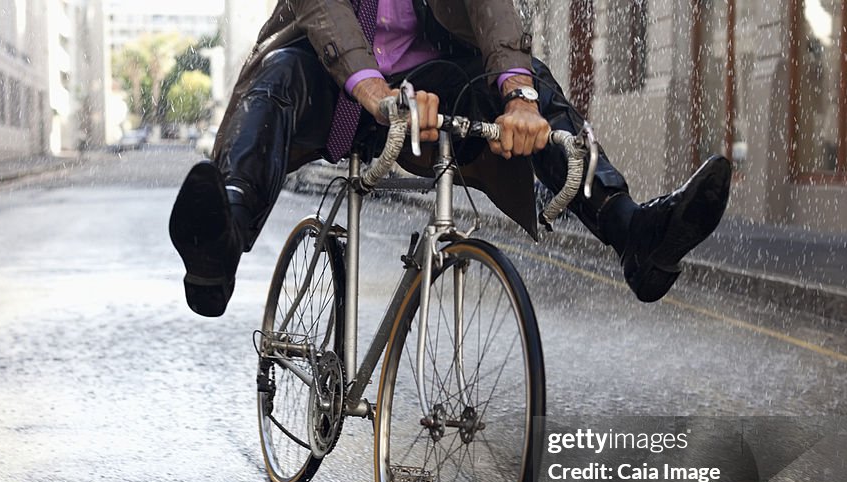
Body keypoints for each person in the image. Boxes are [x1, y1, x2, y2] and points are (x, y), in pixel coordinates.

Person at [169, 0, 732, 317]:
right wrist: (372, 92)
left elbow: (492, 10)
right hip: (330, 76)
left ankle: (633, 231)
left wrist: (519, 97)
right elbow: (324, 11)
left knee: (531, 83)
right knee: (276, 78)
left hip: (430, 84)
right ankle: (221, 240)